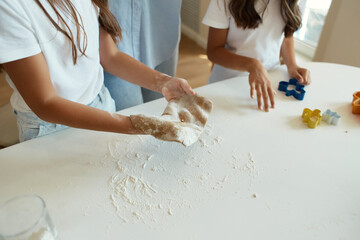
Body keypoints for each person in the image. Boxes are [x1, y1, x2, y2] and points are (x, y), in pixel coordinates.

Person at [0, 0, 194, 142]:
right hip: (49, 127)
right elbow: (45, 103)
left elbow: (110, 56)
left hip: (101, 104)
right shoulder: (9, 6)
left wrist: (163, 81)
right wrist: (137, 125)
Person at [203, 0, 311, 112]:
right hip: (227, 83)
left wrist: (292, 65)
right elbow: (213, 51)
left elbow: (286, 34)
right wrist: (252, 65)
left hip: (270, 81)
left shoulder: (297, 2)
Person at [104, 0, 183, 111]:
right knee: (130, 114)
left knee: (159, 112)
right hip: (112, 37)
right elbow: (110, 56)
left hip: (159, 30)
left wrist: (164, 81)